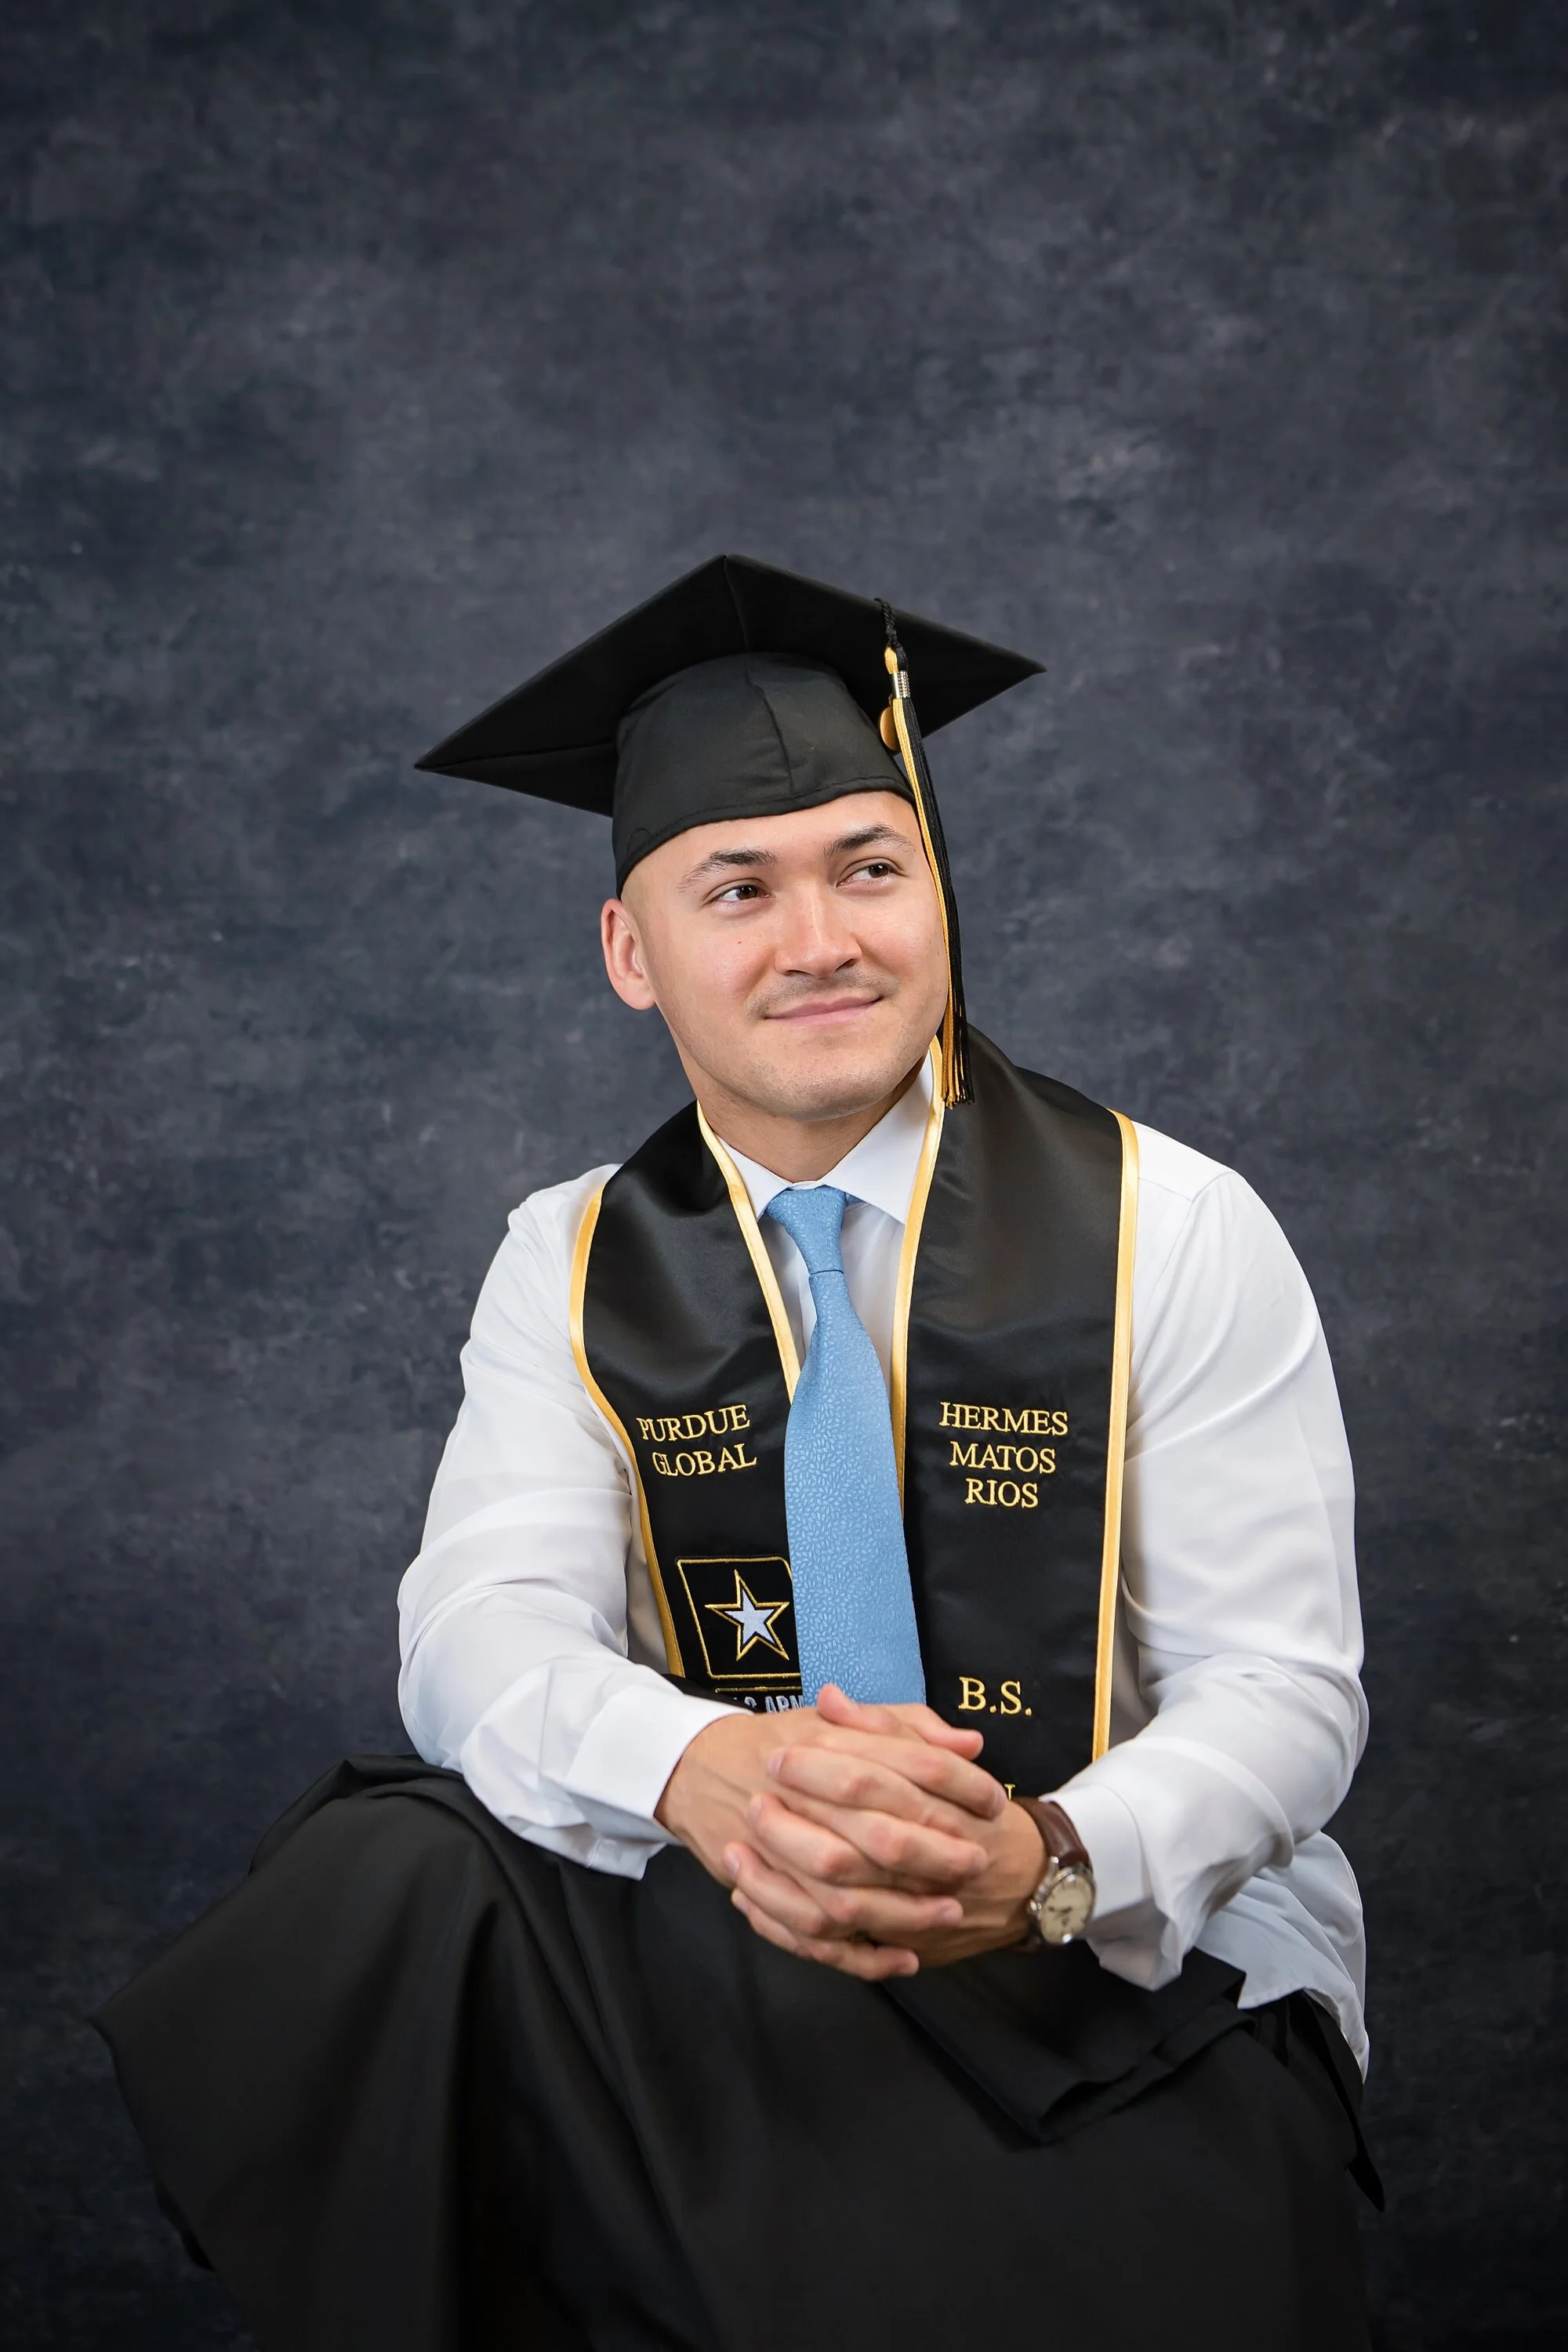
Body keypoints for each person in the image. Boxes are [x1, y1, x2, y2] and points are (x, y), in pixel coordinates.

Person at [97, 554, 1379, 2352]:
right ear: (632, 954)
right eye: (738, 889)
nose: (821, 940)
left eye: (870, 867)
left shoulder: (1170, 1227)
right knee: (383, 1884)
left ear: (935, 892)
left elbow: (1283, 1693)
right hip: (736, 1932)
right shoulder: (569, 1260)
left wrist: (1046, 1859)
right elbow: (477, 1630)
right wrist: (710, 1771)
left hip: (1122, 1963)